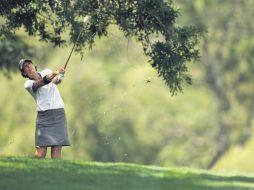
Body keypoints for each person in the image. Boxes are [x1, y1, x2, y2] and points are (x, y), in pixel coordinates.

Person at [19, 59, 70, 159]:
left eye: (29, 64)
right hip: (44, 117)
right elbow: (43, 82)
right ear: (24, 73)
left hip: (58, 113)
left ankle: (55, 173)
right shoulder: (28, 84)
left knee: (56, 148)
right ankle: (34, 172)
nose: (29, 67)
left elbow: (56, 81)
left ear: (34, 65)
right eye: (25, 67)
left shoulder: (46, 71)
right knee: (41, 152)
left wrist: (61, 75)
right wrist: (55, 73)